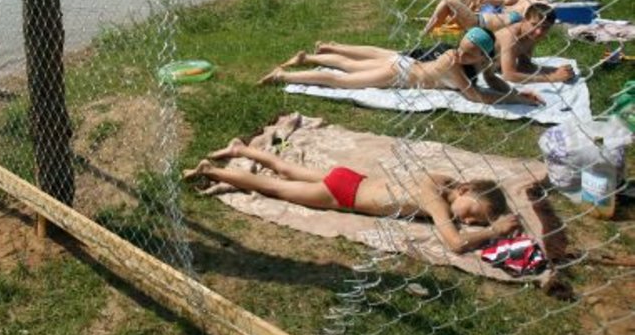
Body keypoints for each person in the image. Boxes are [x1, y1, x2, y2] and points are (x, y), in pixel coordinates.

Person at [183, 139, 520, 254]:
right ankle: (209, 171)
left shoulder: (442, 180)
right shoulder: (434, 201)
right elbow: (456, 244)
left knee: (286, 169)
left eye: (478, 221)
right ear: (463, 191)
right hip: (342, 193)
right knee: (273, 187)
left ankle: (241, 149)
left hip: (351, 177)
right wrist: (495, 230)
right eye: (473, 212)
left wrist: (487, 216)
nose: (471, 221)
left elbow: (462, 207)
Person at [259, 29, 543, 106]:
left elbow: (492, 80)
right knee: (343, 81)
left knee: (348, 66)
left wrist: (516, 93)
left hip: (403, 65)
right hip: (401, 73)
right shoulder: (453, 61)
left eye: (470, 53)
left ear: (481, 55)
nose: (462, 54)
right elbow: (474, 96)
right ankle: (283, 74)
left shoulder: (478, 63)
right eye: (463, 47)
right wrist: (515, 98)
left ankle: (307, 58)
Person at [494, 3, 575, 84]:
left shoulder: (531, 35)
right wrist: (552, 78)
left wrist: (555, 71)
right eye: (534, 25)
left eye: (545, 27)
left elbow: (525, 66)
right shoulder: (510, 36)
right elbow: (508, 75)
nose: (538, 32)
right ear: (524, 20)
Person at [422, 0, 524, 35]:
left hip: (478, 23)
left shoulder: (522, 16)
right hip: (478, 20)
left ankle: (425, 32)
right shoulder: (514, 7)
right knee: (448, 7)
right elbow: (505, 1)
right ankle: (428, 29)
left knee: (447, 0)